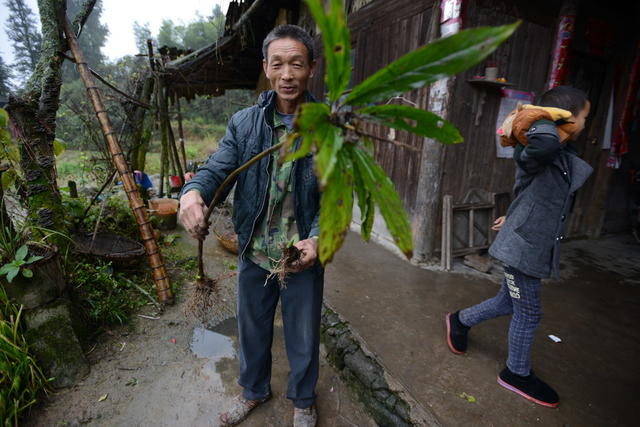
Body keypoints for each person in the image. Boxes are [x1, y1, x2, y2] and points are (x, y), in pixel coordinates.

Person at [178, 24, 321, 427]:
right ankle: (254, 391)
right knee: (253, 331)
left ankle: (304, 401)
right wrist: (192, 193)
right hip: (255, 251)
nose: (287, 74)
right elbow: (217, 169)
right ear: (267, 68)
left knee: (304, 336)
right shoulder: (244, 124)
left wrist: (318, 239)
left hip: (300, 253)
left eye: (297, 63)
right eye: (278, 64)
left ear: (311, 67)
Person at [445, 86, 593, 407]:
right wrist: (542, 118)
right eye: (583, 116)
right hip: (522, 248)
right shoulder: (536, 149)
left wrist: (510, 216)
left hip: (529, 242)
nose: (585, 123)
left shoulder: (561, 156)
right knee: (529, 311)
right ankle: (516, 372)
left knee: (508, 300)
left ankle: (459, 320)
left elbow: (530, 192)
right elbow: (538, 149)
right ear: (562, 119)